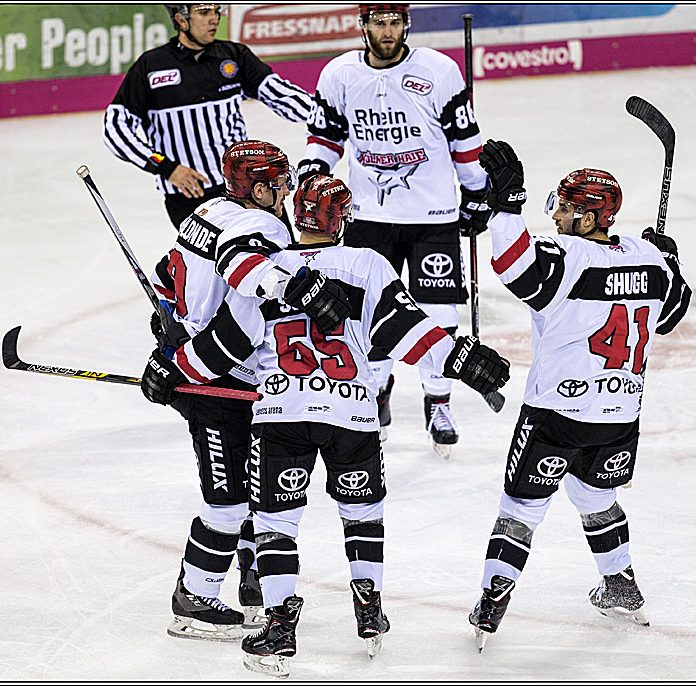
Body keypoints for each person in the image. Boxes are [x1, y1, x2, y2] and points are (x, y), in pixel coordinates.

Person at [143, 174, 510, 677]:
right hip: (353, 416)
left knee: (275, 524)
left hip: (282, 415)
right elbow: (407, 333)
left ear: (296, 216)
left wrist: (170, 370)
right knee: (362, 515)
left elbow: (222, 347)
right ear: (343, 220)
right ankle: (368, 608)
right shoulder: (367, 264)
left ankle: (278, 627)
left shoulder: (268, 270)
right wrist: (464, 359)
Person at [466, 140, 692, 650]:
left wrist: (506, 205)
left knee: (521, 508)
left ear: (591, 219)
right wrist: (670, 259)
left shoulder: (568, 256)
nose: (560, 216)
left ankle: (493, 600)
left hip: (555, 413)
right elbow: (674, 309)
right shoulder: (650, 258)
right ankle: (620, 583)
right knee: (597, 495)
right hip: (618, 415)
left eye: (568, 208)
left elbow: (516, 268)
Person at [139, 140, 349, 641]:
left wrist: (167, 337)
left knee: (256, 490)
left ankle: (253, 579)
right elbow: (239, 329)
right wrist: (184, 367)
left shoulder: (206, 208)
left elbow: (166, 278)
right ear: (256, 188)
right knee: (229, 502)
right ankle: (194, 597)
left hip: (207, 368)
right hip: (219, 380)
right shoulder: (265, 229)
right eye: (278, 183)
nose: (287, 190)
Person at [296, 3, 493, 457]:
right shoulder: (340, 74)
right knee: (368, 316)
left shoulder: (439, 70)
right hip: (368, 217)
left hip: (433, 216)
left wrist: (478, 192)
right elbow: (325, 138)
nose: (388, 31)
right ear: (362, 25)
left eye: (394, 22)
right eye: (378, 22)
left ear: (406, 24)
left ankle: (437, 402)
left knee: (441, 317)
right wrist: (311, 178)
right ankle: (376, 392)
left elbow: (464, 140)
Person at [104, 3, 314, 230]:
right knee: (217, 264)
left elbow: (280, 93)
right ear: (181, 20)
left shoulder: (234, 56)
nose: (214, 19)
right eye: (204, 13)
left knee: (279, 259)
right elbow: (116, 129)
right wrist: (165, 167)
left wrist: (324, 115)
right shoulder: (151, 66)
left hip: (248, 191)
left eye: (216, 11)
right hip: (190, 199)